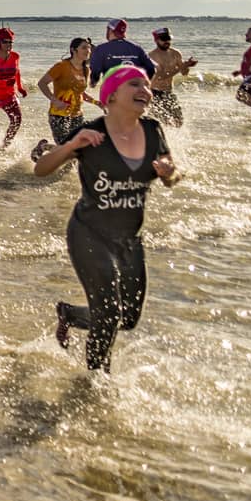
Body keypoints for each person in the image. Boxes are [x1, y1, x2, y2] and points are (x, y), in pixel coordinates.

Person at [35, 65, 181, 372]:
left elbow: (172, 171)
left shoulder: (153, 130)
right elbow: (42, 169)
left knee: (127, 318)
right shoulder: (92, 133)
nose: (145, 89)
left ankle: (70, 315)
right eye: (135, 84)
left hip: (130, 239)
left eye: (146, 84)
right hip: (89, 233)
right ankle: (97, 383)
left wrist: (170, 172)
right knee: (109, 313)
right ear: (111, 95)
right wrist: (72, 146)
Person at [33, 38, 99, 160]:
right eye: (84, 47)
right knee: (67, 150)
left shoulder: (86, 70)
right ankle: (43, 147)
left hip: (77, 115)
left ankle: (65, 176)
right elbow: (42, 83)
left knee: (76, 152)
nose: (88, 50)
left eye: (89, 48)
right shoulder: (61, 67)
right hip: (58, 114)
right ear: (73, 50)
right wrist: (54, 100)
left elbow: (80, 92)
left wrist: (97, 103)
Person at [146, 27, 196, 127]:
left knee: (179, 122)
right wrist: (182, 66)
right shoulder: (152, 56)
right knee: (156, 123)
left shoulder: (176, 53)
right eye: (164, 39)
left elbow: (184, 73)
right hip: (155, 93)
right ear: (156, 40)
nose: (167, 42)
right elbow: (160, 76)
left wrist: (187, 66)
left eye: (168, 39)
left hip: (169, 92)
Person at [88, 19, 155, 85]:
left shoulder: (101, 49)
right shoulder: (137, 48)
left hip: (112, 91)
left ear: (110, 31)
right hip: (133, 90)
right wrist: (142, 85)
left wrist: (93, 84)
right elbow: (151, 69)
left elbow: (95, 73)